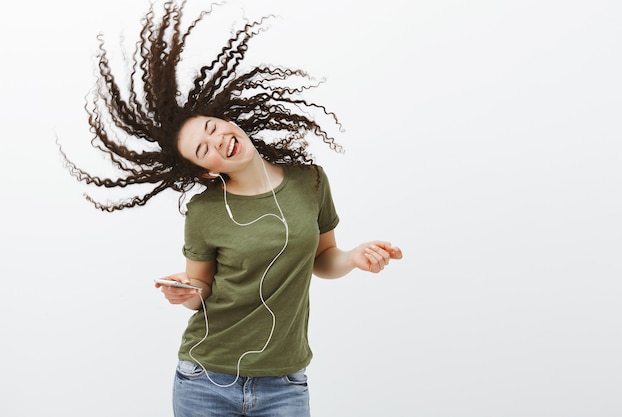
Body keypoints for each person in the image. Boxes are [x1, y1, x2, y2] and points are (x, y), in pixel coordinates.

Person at [60, 1, 402, 416]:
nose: (217, 139)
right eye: (203, 150)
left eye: (212, 127)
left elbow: (323, 258)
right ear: (205, 172)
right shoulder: (205, 211)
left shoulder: (309, 181)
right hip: (205, 380)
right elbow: (200, 290)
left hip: (285, 382)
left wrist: (354, 258)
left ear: (228, 122)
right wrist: (183, 292)